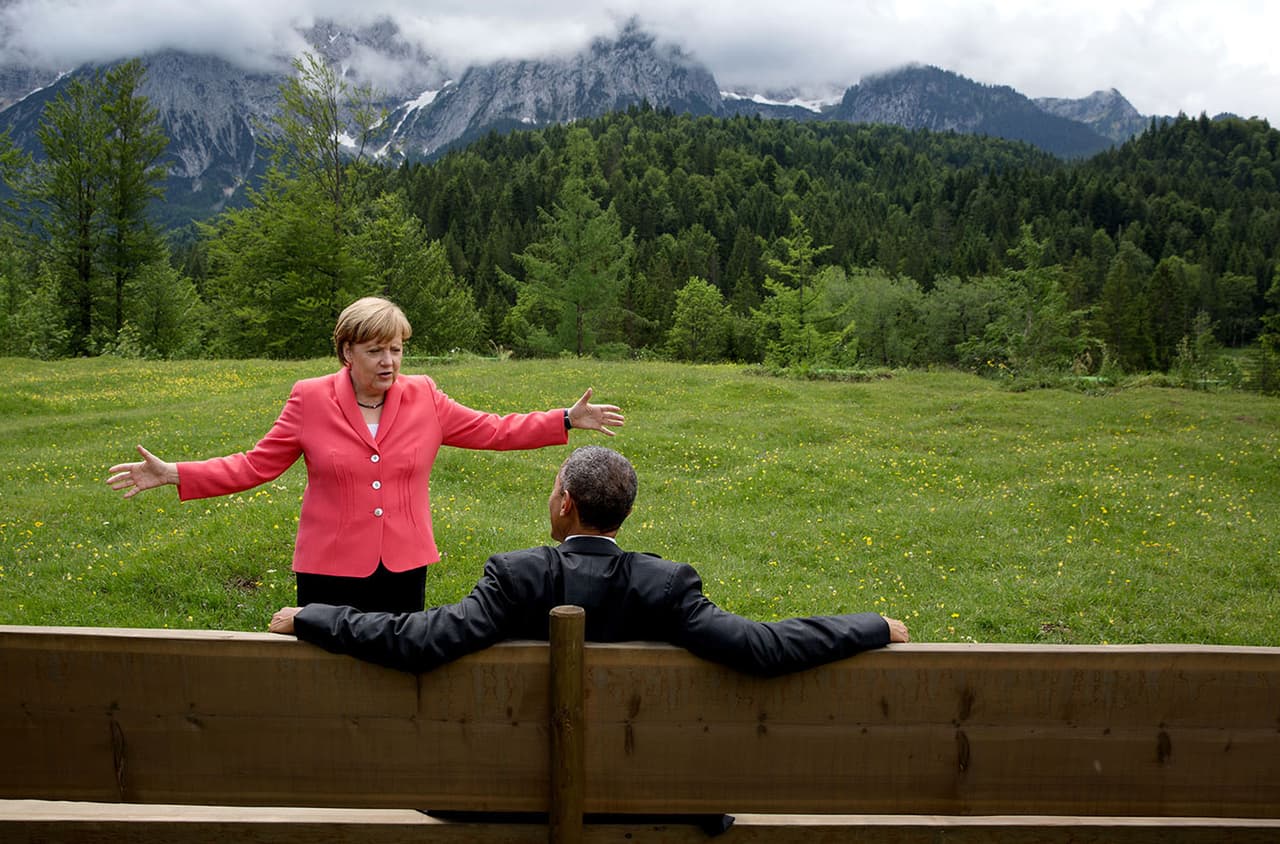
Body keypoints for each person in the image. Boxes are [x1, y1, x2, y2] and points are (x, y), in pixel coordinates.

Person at [107, 297, 624, 613]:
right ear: (347, 352)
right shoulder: (309, 398)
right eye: (377, 350)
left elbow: (491, 429)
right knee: (327, 672)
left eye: (397, 348)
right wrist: (176, 473)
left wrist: (564, 419)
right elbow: (255, 463)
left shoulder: (424, 395)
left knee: (395, 666)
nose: (389, 360)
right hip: (329, 567)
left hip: (403, 565)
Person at [270, 446, 909, 677]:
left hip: (504, 798)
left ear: (566, 505)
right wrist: (874, 627)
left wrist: (315, 616)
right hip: (641, 791)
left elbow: (418, 640)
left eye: (553, 490)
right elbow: (765, 647)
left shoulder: (516, 579)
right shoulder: (666, 587)